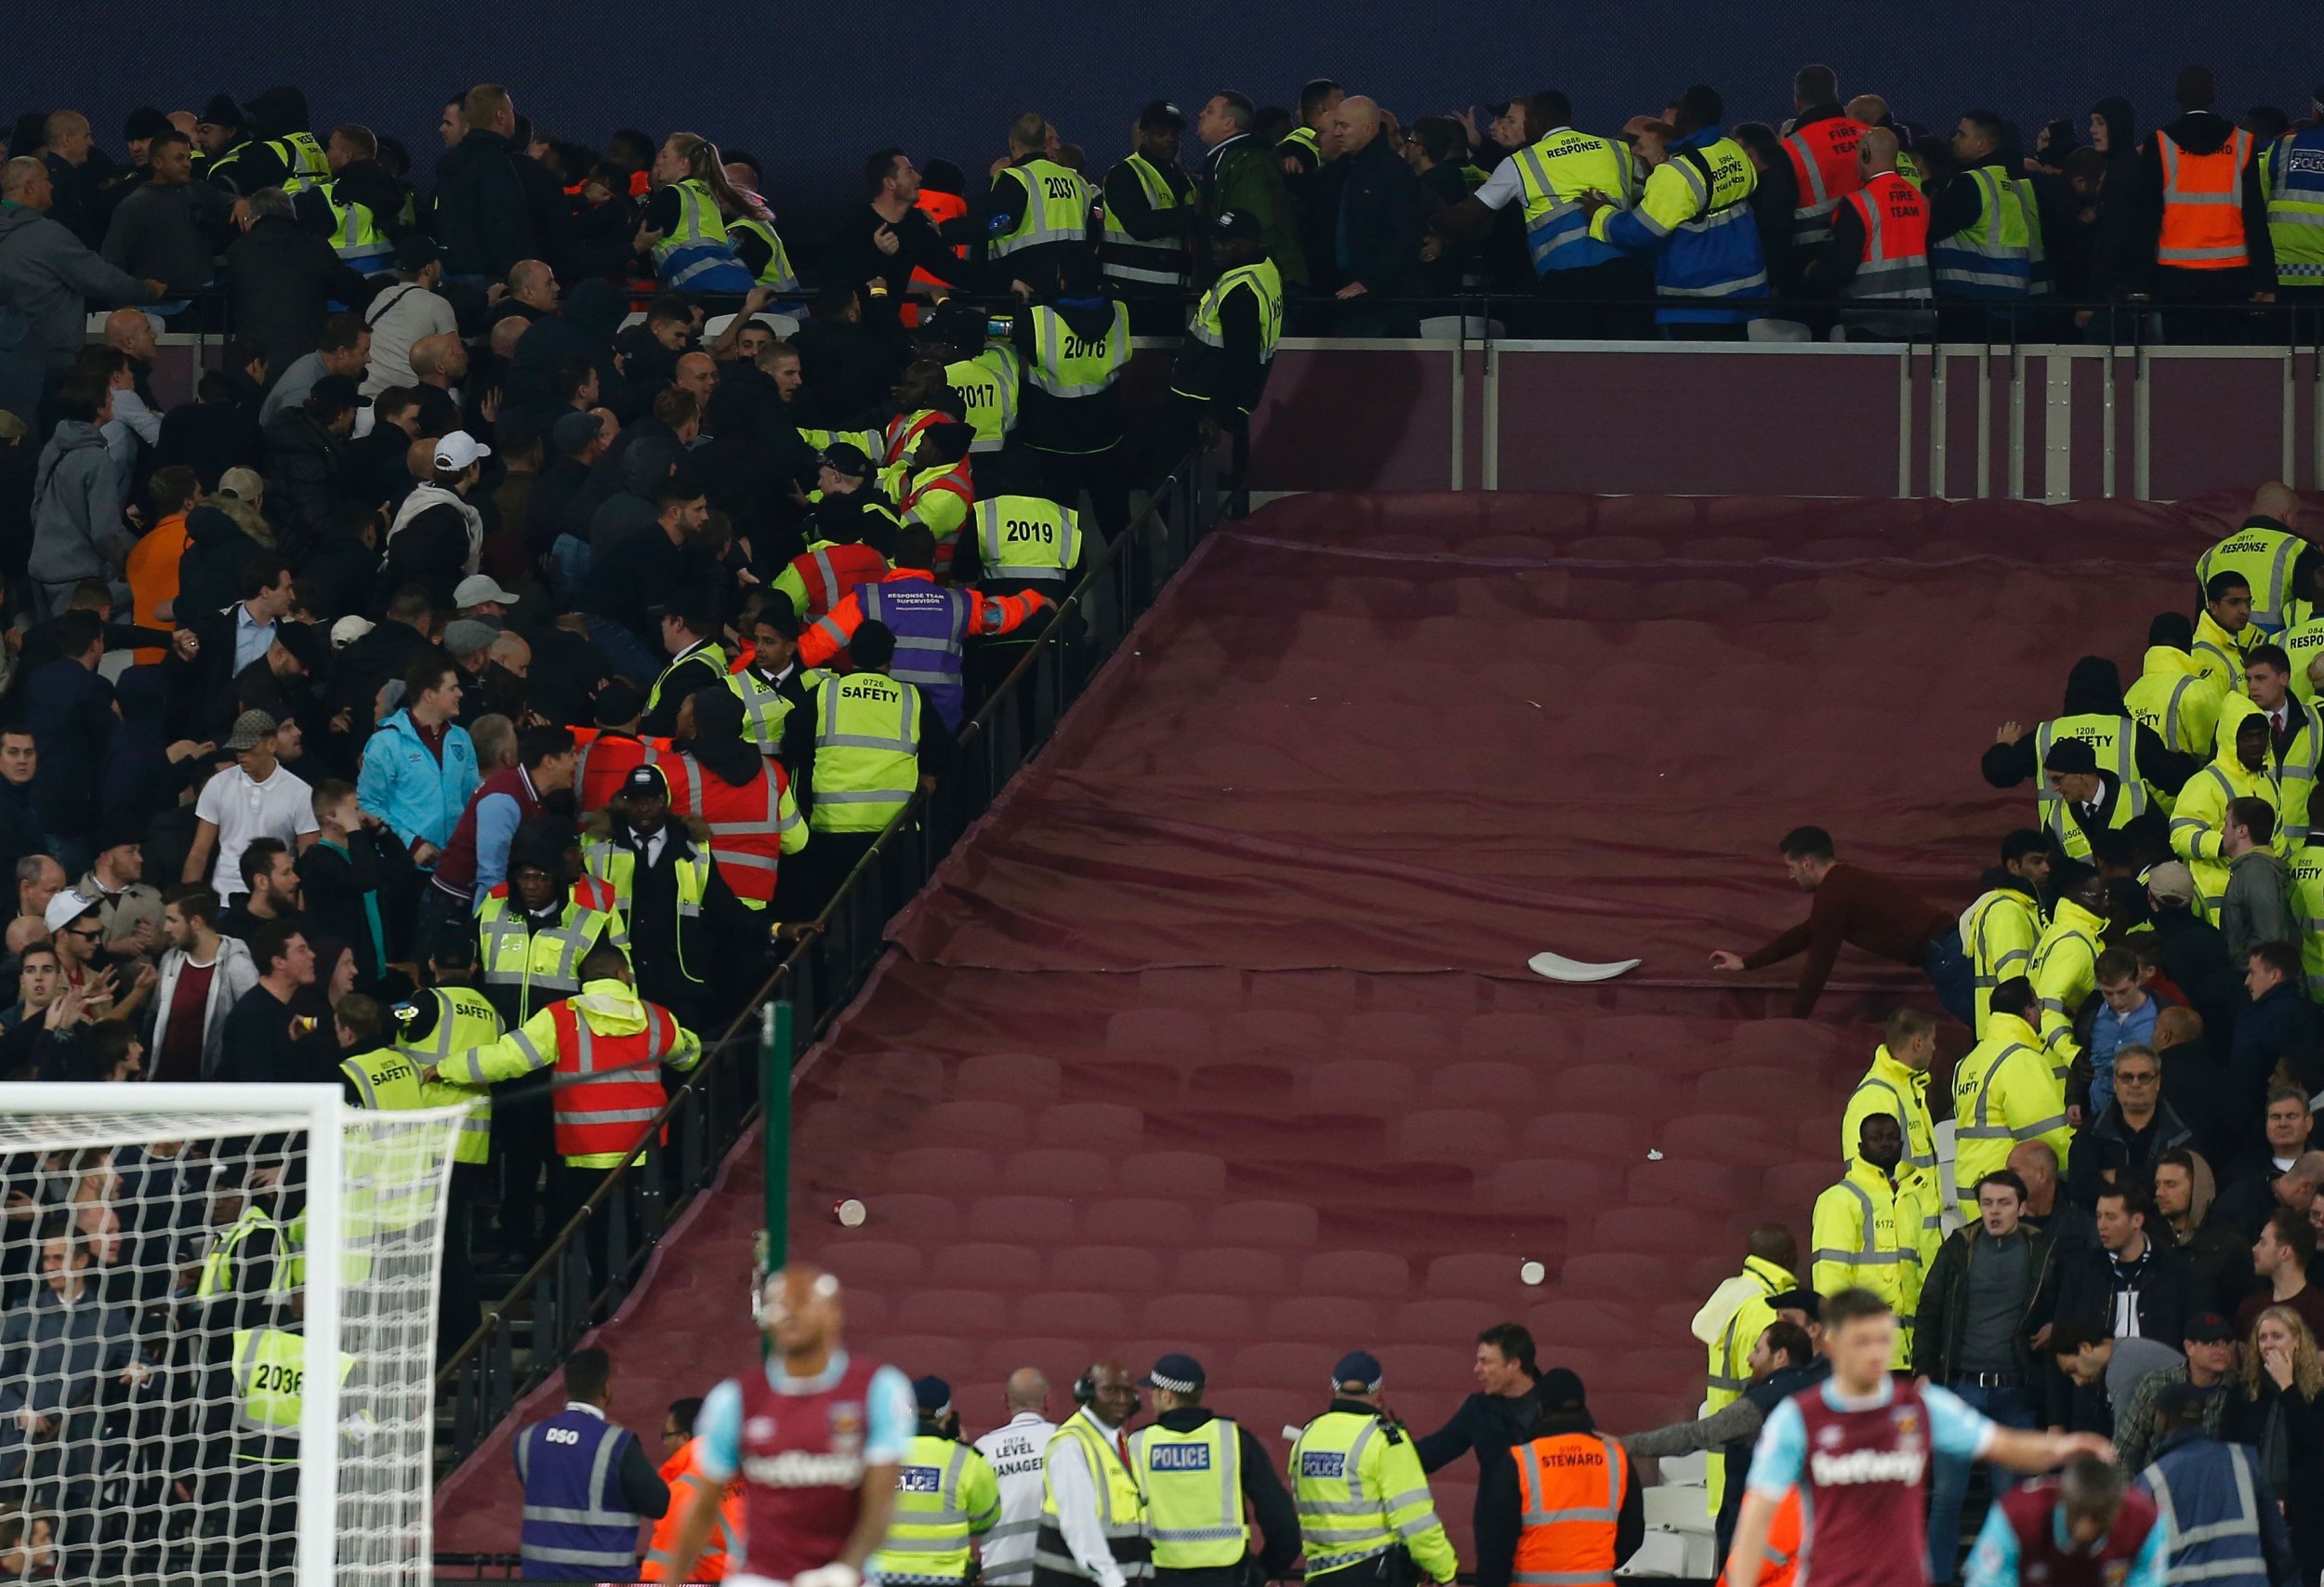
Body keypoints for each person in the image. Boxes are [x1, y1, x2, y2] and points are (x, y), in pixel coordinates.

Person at [1725, 1289, 2110, 1587]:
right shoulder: (1798, 1419)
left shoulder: (1920, 1408)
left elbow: (2004, 1445)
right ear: (1832, 1345)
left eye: (1882, 1339)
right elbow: (1756, 1522)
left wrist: (2065, 1445)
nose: (1875, 1352)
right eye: (1862, 1341)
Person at [657, 1266, 914, 1586]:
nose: (789, 1311)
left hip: (846, 1576)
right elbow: (702, 1508)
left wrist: (845, 1570)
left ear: (834, 1313)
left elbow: (880, 1502)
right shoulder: (734, 1399)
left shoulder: (879, 1389)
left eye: (802, 1301)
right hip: (762, 1577)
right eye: (779, 1303)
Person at [1915, 1170, 2060, 1583]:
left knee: (2009, 1500)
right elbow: (1930, 1309)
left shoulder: (2041, 1250)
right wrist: (1924, 1371)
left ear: (2022, 1206)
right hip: (1963, 1389)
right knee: (1946, 1498)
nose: (1994, 1212)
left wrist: (2054, 1327)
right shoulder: (1960, 1247)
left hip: (2016, 1392)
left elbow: (2059, 1300)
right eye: (1987, 1203)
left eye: (2004, 1203)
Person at [1709, 825, 1969, 1022]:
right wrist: (1746, 963)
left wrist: (1795, 1020)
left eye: (1791, 867)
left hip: (1944, 955)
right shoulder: (1845, 882)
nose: (1791, 876)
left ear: (1806, 863)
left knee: (1988, 1030)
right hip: (1949, 947)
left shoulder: (1833, 894)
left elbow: (1819, 962)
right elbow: (1808, 933)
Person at [1621, 1318, 1825, 1564]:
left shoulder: (1761, 1404)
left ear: (1780, 1356)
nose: (1750, 1359)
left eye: (1758, 1350)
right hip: (1811, 1534)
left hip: (1756, 1536)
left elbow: (1694, 1436)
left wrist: (1624, 1445)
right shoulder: (1823, 1396)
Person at [1582, 85, 1766, 338]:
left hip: (1697, 302)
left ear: (1686, 117)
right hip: (1746, 291)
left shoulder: (1676, 174)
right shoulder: (1732, 150)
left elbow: (1641, 233)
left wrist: (1601, 214)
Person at [0, 156, 160, 418]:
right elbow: (101, 278)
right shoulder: (46, 236)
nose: (51, 186)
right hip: (48, 364)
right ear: (29, 187)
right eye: (45, 180)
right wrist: (147, 291)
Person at [1287, 1351, 1457, 1587]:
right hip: (1375, 1575)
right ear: (1380, 1394)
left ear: (1332, 1390)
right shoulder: (1385, 1439)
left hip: (1319, 1575)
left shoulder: (1307, 1436)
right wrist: (1445, 1571)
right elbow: (1415, 1519)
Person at [1473, 1367, 1643, 1587]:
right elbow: (1633, 1534)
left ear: (1541, 1408)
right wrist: (1592, 1566)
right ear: (1583, 1406)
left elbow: (1495, 1546)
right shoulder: (1615, 1458)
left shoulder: (1522, 1460)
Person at [511, 1346, 669, 1580]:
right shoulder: (616, 1443)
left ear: (567, 1387)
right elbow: (658, 1503)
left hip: (539, 1576)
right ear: (606, 1387)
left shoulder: (526, 1438)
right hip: (602, 1577)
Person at [2143, 67, 2274, 337]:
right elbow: (2255, 217)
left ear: (2177, 96)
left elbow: (2147, 218)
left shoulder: (2160, 143)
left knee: (2181, 366)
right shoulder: (2242, 143)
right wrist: (2265, 280)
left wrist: (2141, 282)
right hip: (2233, 278)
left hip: (2175, 279)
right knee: (2226, 367)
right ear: (2213, 97)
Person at [2135, 1380, 2301, 1587]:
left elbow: (2139, 1566)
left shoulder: (2149, 1481)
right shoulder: (2243, 1461)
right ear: (2203, 1418)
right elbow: (2277, 1545)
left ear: (2162, 1420)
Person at [1812, 1112, 1934, 1369]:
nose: (1885, 1143)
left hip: (1911, 1352)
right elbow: (1830, 1277)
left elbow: (1921, 1272)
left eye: (1891, 1138)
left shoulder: (1910, 1198)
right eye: (1876, 1138)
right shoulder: (1839, 1199)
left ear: (1902, 1145)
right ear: (1860, 1146)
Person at [1694, 1224, 1798, 1517]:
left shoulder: (1732, 1298)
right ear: (1787, 1257)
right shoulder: (1765, 1309)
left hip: (1727, 1467)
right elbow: (1767, 1394)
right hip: (1753, 1474)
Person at [1162, 211, 1286, 456]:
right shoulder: (1266, 267)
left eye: (1225, 242)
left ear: (1249, 242)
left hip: (1200, 397)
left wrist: (1214, 417)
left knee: (1169, 470)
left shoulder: (1241, 290)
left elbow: (1240, 361)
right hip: (1216, 394)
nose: (1215, 247)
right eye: (1214, 239)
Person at [1952, 979, 2074, 1220]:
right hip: (2010, 1200)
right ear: (2027, 1013)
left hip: (1975, 1196)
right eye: (2038, 1005)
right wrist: (2081, 1174)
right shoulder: (2020, 1060)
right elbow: (2046, 1137)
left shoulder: (1968, 1062)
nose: (2040, 1012)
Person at [2219, 1305, 2324, 1580]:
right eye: (2262, 1337)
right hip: (2253, 1516)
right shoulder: (2242, 1393)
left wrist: (2288, 1387)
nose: (2268, 1344)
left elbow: (2315, 1447)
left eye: (2277, 1336)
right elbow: (2227, 1453)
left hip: (2305, 1521)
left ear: (2298, 1341)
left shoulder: (2318, 1394)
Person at [865, 1375, 1002, 1587]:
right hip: (946, 1579)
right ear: (947, 1413)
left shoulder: (879, 1455)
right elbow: (986, 1520)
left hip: (883, 1577)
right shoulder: (967, 1460)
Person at [358, 655, 482, 884]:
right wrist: (411, 843)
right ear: (430, 695)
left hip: (455, 866)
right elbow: (368, 804)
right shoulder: (386, 743)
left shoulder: (461, 738)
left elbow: (471, 797)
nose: (460, 694)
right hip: (404, 868)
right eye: (452, 688)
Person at [1416, 1323, 1545, 1536]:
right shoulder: (1479, 1408)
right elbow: (1435, 1451)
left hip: (1550, 1533)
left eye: (1485, 1362)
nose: (1476, 1369)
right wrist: (1388, 1452)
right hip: (1497, 1535)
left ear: (1513, 1364)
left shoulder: (1559, 1404)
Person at [1960, 1455, 2163, 1587]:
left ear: (2117, 1509)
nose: (2086, 1529)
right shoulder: (2015, 1515)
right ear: (2061, 1500)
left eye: (2098, 1516)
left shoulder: (2145, 1521)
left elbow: (2146, 1581)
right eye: (2078, 1513)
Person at [1030, 1359, 1147, 1587]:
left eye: (1128, 1392)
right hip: (1077, 1580)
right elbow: (1080, 1526)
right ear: (1086, 1392)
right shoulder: (1071, 1445)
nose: (1122, 1400)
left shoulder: (1120, 1442)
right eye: (1111, 1391)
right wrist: (1112, 1580)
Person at [183, 711, 318, 898]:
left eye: (249, 749)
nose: (241, 756)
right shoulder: (218, 784)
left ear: (271, 745)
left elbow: (308, 861)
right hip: (224, 897)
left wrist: (303, 912)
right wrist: (190, 903)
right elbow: (199, 853)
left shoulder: (300, 792)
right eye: (238, 750)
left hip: (276, 900)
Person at [1322, 96, 1424, 336]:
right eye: (1335, 125)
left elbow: (1406, 236)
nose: (1336, 132)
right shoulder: (1340, 169)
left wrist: (1370, 282)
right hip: (1342, 296)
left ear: (1368, 128)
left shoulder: (1394, 172)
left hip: (1385, 305)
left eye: (1343, 126)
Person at [2054, 1184, 2197, 1356]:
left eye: (2111, 1217)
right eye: (2098, 1216)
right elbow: (2061, 1341)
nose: (2101, 1225)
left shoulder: (2174, 1270)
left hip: (2162, 1378)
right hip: (2098, 1379)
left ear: (2136, 1221)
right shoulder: (2081, 1271)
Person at [1100, 102, 1197, 320]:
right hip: (1131, 296)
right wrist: (1196, 213)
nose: (1170, 138)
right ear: (1143, 134)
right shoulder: (1124, 174)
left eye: (1175, 133)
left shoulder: (1182, 178)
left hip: (1174, 295)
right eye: (1161, 132)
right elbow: (1139, 225)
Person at [2109, 1312, 2238, 1475]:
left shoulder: (2240, 1388)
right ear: (2189, 1347)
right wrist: (2132, 1496)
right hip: (2159, 1483)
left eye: (2226, 1343)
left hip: (2213, 1484)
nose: (2222, 1351)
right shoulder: (2156, 1383)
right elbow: (2125, 1448)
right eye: (2212, 1343)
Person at [152, 885, 256, 1081]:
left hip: (212, 1089)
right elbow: (155, 1015)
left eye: (172, 920)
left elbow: (253, 1029)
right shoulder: (169, 960)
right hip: (165, 1084)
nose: (165, 928)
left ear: (196, 922)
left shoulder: (237, 967)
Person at [2069, 1046, 2195, 1209]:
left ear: (2157, 1082)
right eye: (2127, 1077)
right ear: (2115, 1083)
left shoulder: (2182, 1130)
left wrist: (2119, 1176)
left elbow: (2187, 1187)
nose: (2135, 1084)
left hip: (2164, 1229)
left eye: (2144, 1077)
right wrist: (2148, 1183)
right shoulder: (2091, 1131)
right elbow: (2080, 1188)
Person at [985, 112, 1091, 292]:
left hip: (1024, 290)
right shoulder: (1077, 181)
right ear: (1044, 144)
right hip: (1074, 290)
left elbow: (991, 226)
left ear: (1012, 142)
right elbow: (1093, 234)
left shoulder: (1015, 179)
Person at [972, 1369, 1060, 1587]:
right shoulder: (1065, 1440)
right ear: (1048, 1400)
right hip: (1055, 1572)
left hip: (998, 1574)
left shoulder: (983, 1449)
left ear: (1005, 1403)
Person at [641, 1396, 742, 1583]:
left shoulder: (682, 1490)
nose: (665, 1442)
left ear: (684, 1438)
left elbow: (661, 1567)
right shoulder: (747, 1473)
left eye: (667, 1435)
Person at [2029, 867, 2112, 1085]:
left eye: (2107, 895)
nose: (2105, 903)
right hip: (2058, 1070)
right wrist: (2073, 1055)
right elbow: (2047, 1008)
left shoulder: (2058, 932)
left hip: (2043, 1062)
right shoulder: (2074, 945)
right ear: (2075, 896)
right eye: (2097, 897)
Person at [1961, 832, 2051, 1034]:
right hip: (2014, 1035)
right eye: (2037, 862)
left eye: (2047, 861)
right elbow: (2016, 983)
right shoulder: (2007, 911)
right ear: (2013, 866)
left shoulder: (2025, 907)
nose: (2046, 869)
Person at [2125, 613, 2226, 758]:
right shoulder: (2196, 690)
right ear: (2188, 643)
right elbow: (2220, 750)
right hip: (2187, 779)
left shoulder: (2132, 692)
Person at [2238, 1210, 2324, 1342]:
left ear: (2285, 1252)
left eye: (2263, 1242)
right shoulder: (2249, 1308)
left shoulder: (2318, 1310)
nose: (2254, 1248)